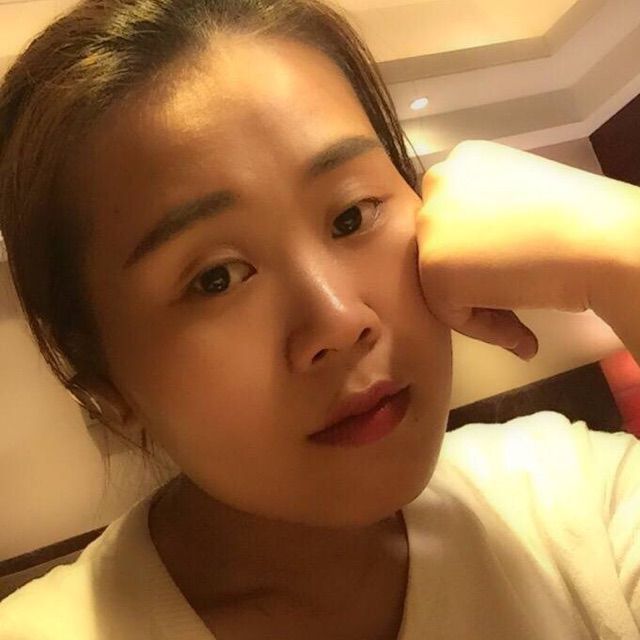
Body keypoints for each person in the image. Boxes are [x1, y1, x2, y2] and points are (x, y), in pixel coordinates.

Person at [0, 0, 639, 637]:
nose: (339, 321)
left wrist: (617, 243)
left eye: (351, 216)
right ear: (104, 386)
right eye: (215, 279)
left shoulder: (567, 496)